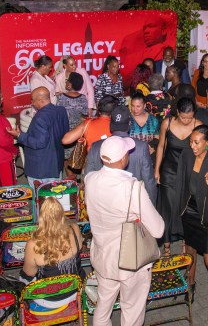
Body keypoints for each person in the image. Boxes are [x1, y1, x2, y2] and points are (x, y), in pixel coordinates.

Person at [84, 136, 165, 326]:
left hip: (103, 257)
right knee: (132, 311)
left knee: (103, 307)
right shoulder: (133, 188)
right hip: (131, 261)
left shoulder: (90, 180)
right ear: (122, 159)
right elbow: (159, 229)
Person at [173, 125, 208, 323]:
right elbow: (181, 185)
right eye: (191, 141)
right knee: (190, 253)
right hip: (189, 212)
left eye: (197, 142)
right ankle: (191, 285)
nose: (192, 145)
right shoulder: (187, 156)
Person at [154, 97, 204, 255]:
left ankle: (185, 241)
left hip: (188, 172)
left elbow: (203, 152)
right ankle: (167, 245)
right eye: (183, 117)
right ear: (177, 113)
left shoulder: (199, 125)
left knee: (185, 208)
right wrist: (157, 170)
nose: (187, 120)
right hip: (169, 171)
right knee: (168, 208)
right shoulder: (167, 123)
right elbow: (161, 146)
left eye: (190, 117)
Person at [84, 106, 157, 203]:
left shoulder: (96, 146)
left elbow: (88, 177)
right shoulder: (141, 147)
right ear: (129, 124)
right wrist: (151, 205)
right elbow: (149, 182)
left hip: (104, 203)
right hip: (132, 204)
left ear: (111, 124)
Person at [10, 87, 70, 186]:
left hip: (41, 168)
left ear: (40, 100)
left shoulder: (40, 117)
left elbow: (39, 142)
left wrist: (19, 135)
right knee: (55, 197)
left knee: (40, 197)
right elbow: (65, 133)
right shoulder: (61, 110)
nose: (32, 103)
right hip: (56, 163)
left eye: (33, 101)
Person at [19, 196, 84, 284]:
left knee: (23, 279)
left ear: (41, 217)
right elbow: (79, 247)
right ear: (62, 214)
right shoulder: (74, 228)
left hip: (49, 295)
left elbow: (29, 273)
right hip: (76, 287)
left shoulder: (33, 243)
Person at [57, 72, 89, 175]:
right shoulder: (83, 98)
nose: (66, 83)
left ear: (70, 85)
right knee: (77, 157)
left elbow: (58, 116)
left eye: (67, 81)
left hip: (65, 133)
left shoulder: (61, 98)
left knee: (67, 161)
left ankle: (72, 181)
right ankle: (78, 181)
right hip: (78, 134)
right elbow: (85, 117)